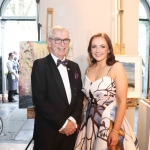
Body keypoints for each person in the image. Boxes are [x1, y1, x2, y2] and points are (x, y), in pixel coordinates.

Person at [74, 33, 139, 150]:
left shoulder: (116, 67)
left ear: (109, 49)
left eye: (102, 46)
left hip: (110, 122)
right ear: (90, 50)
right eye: (94, 46)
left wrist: (115, 130)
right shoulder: (89, 69)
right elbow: (85, 100)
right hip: (89, 121)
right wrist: (79, 121)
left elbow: (122, 101)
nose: (98, 50)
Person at [31, 26, 84, 150]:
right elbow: (40, 100)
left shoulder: (75, 67)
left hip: (70, 135)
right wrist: (63, 124)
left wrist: (73, 120)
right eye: (57, 40)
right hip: (48, 135)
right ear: (49, 42)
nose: (62, 44)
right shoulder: (40, 65)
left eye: (65, 40)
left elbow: (79, 97)